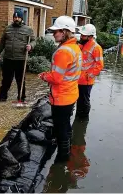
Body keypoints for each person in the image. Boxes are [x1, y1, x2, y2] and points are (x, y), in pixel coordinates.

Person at [39, 16, 82, 162]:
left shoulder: (64, 51)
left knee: (61, 127)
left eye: (56, 31)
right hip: (70, 94)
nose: (53, 34)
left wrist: (44, 76)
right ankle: (66, 150)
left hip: (61, 97)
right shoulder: (75, 47)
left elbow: (56, 78)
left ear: (64, 32)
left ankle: (63, 158)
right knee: (66, 125)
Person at [0, 10, 36, 103]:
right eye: (15, 17)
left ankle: (21, 97)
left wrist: (31, 46)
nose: (16, 19)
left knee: (20, 80)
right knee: (6, 79)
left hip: (20, 59)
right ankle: (2, 97)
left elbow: (34, 40)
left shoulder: (28, 29)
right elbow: (2, 42)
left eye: (18, 17)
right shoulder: (7, 29)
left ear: (22, 18)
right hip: (8, 58)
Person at [76, 24, 104, 121]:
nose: (81, 36)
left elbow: (99, 65)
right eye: (81, 34)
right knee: (79, 100)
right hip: (77, 79)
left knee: (84, 101)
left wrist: (89, 76)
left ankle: (83, 119)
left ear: (90, 36)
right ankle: (78, 116)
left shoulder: (96, 48)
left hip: (86, 81)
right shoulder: (81, 45)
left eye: (84, 35)